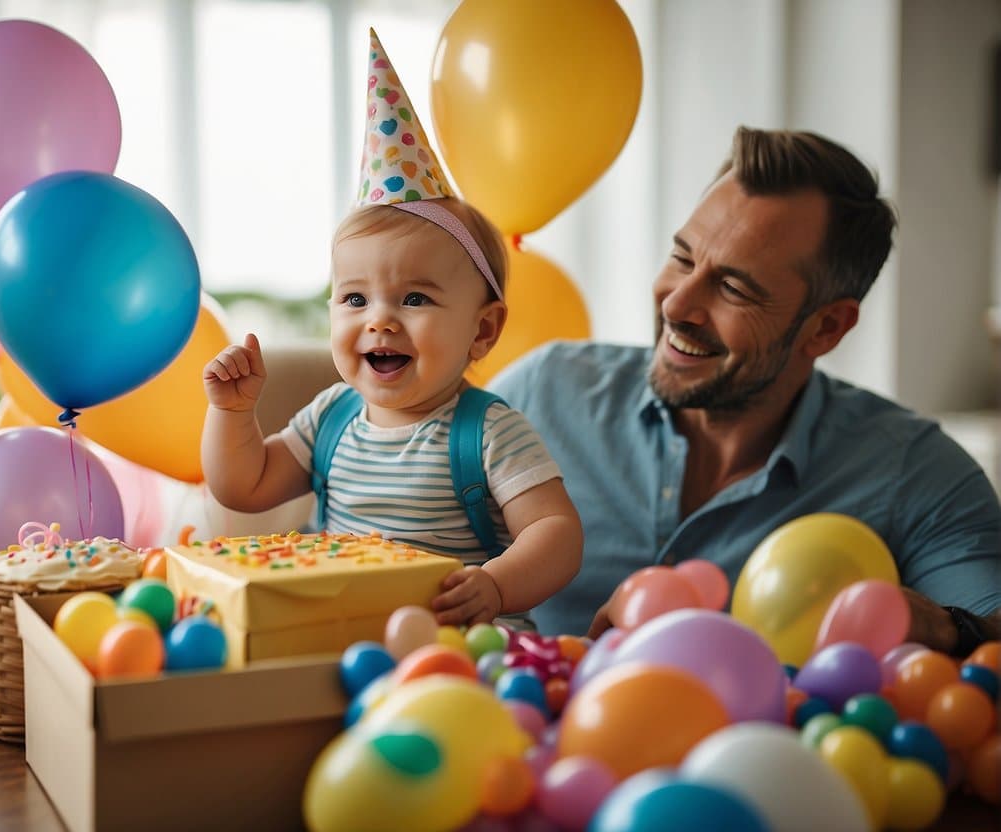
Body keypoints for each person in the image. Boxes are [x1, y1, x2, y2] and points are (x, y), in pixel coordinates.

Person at [490, 126, 1001, 655]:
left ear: (826, 328)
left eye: (733, 288)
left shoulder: (913, 472)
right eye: (683, 259)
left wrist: (942, 627)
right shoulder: (542, 394)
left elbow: (992, 632)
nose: (676, 305)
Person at [200, 30, 582, 628]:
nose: (378, 318)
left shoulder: (486, 432)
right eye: (354, 297)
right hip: (346, 642)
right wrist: (231, 415)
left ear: (482, 331)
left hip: (459, 643)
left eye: (413, 298)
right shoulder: (330, 418)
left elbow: (556, 533)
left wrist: (495, 586)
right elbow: (242, 487)